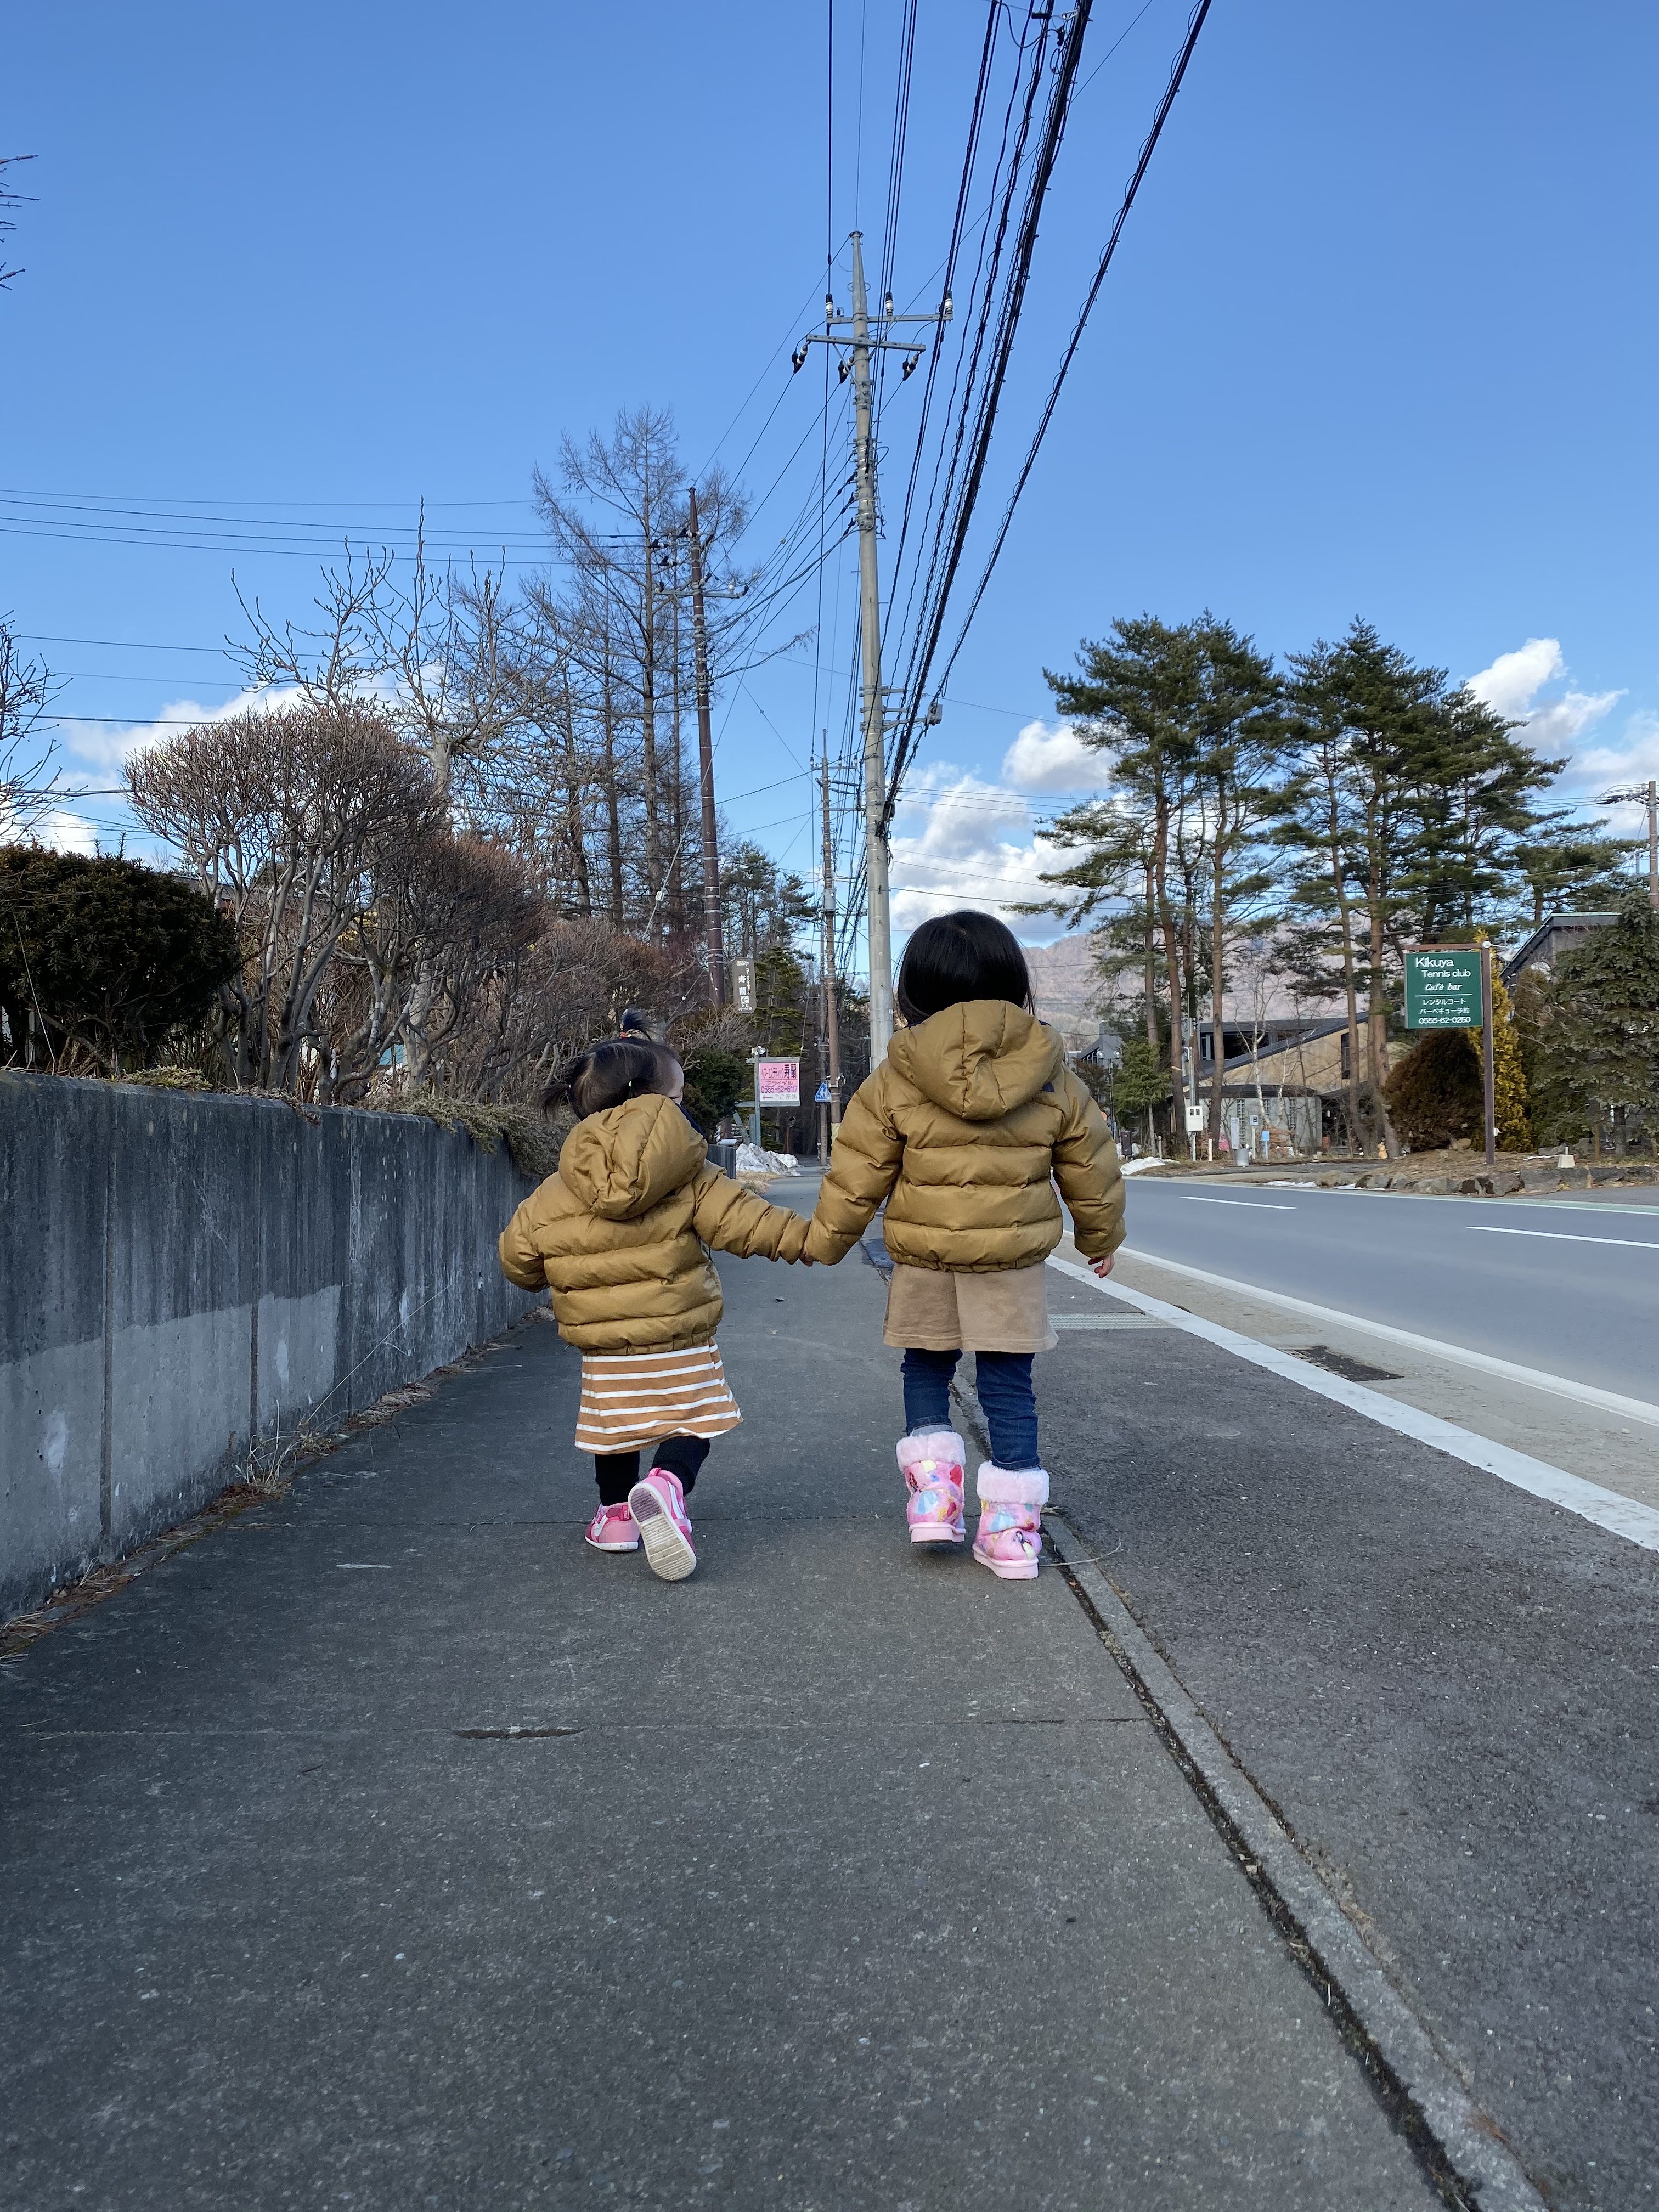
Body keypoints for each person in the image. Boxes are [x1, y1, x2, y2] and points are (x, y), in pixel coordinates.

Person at [803, 911, 1124, 1580]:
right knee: (1009, 1387)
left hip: (924, 1258)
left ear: (913, 991)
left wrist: (826, 1241)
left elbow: (858, 1171)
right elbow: (1091, 1166)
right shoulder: (1052, 1072)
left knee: (926, 1369)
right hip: (1011, 1263)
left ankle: (936, 1499)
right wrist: (1100, 1236)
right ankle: (1011, 1534)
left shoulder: (896, 1076)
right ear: (1014, 982)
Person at [499, 1036, 809, 1581]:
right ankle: (667, 1484)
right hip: (681, 1337)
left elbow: (518, 1260)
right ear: (652, 1100)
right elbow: (750, 1223)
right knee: (692, 1423)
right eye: (679, 1093)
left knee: (617, 1431)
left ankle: (616, 1518)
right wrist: (819, 1238)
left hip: (604, 1352)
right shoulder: (690, 1175)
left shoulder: (558, 1188)